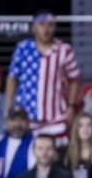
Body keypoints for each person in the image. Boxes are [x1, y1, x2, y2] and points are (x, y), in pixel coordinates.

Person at [5, 11, 80, 145]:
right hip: (26, 117)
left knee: (56, 155)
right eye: (42, 24)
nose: (46, 29)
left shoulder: (64, 50)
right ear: (34, 27)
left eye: (50, 25)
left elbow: (74, 79)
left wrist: (71, 106)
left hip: (56, 116)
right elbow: (12, 78)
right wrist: (8, 109)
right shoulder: (22, 48)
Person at [64, 112, 92, 178]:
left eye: (89, 125)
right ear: (76, 129)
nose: (85, 129)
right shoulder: (65, 152)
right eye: (81, 125)